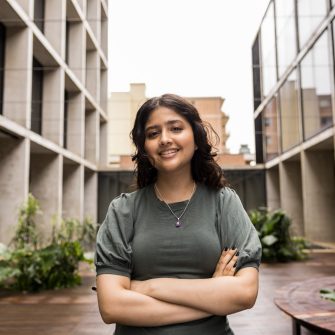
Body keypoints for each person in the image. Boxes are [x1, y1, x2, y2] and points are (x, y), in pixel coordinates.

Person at [95, 94, 262, 335]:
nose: (165, 139)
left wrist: (148, 288)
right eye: (153, 134)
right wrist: (213, 294)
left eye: (175, 128)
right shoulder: (123, 211)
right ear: (144, 149)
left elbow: (245, 293)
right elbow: (112, 307)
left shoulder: (224, 203)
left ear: (195, 139)